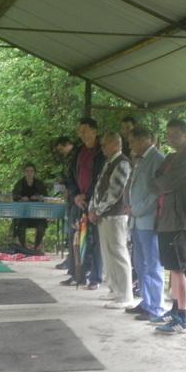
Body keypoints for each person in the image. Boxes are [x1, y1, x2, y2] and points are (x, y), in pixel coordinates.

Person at [150, 119, 186, 334]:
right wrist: (160, 182)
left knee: (180, 269)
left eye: (175, 134)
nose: (171, 138)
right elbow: (156, 179)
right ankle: (175, 309)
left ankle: (183, 315)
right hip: (167, 218)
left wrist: (160, 182)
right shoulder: (172, 157)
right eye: (168, 134)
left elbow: (164, 182)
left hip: (180, 220)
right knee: (172, 268)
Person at [124, 126, 165, 320]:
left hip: (148, 220)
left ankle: (155, 307)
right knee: (140, 264)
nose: (130, 145)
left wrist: (138, 209)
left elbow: (156, 192)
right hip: (135, 220)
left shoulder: (157, 159)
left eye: (132, 141)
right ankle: (146, 302)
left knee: (152, 264)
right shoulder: (139, 159)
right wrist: (128, 206)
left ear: (144, 140)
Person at [88, 132, 133, 308]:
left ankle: (125, 296)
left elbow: (115, 192)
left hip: (116, 215)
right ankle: (114, 289)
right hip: (105, 215)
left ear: (116, 144)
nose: (102, 148)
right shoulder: (109, 162)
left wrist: (97, 210)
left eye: (105, 144)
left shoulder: (122, 162)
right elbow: (98, 187)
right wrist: (92, 208)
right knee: (108, 254)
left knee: (118, 254)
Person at [61, 117, 105, 289]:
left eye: (85, 131)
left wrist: (87, 197)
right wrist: (76, 195)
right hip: (78, 201)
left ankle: (95, 277)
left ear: (94, 131)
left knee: (95, 241)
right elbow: (70, 176)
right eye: (80, 131)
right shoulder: (78, 151)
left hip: (94, 202)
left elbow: (101, 178)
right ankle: (77, 274)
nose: (81, 134)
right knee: (75, 238)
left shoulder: (102, 151)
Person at [12, 163, 48, 253]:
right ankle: (23, 249)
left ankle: (36, 249)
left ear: (34, 172)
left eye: (31, 171)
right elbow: (14, 196)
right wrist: (21, 198)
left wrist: (38, 197)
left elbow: (45, 196)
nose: (29, 173)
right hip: (23, 214)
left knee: (41, 227)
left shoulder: (39, 183)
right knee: (21, 227)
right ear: (24, 172)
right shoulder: (19, 183)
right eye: (27, 171)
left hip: (37, 214)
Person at [53, 135, 76, 270]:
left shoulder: (75, 156)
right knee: (70, 230)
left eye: (61, 149)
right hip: (70, 196)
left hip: (75, 197)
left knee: (73, 230)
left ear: (67, 145)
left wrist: (70, 189)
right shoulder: (69, 158)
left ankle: (73, 260)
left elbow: (74, 178)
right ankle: (71, 259)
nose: (61, 152)